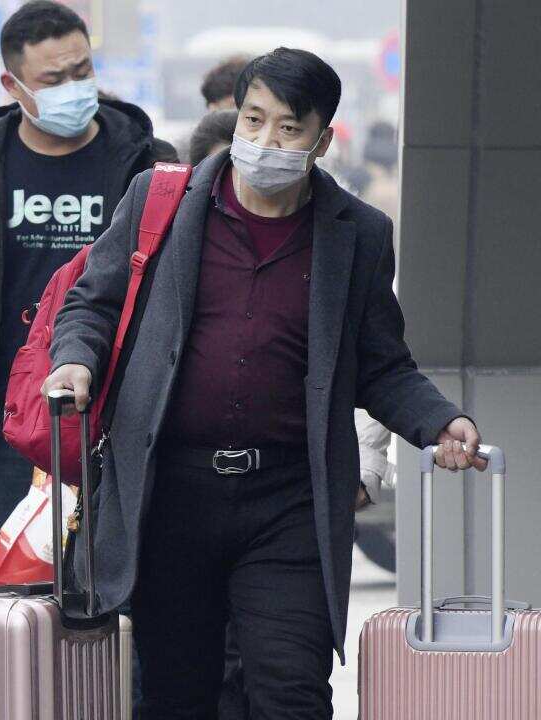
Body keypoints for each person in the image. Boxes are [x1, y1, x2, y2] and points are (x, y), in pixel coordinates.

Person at [44, 47, 487, 719]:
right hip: (173, 494)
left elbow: (382, 363)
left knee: (291, 692)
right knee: (174, 695)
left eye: (288, 128)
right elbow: (93, 301)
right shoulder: (162, 201)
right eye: (254, 120)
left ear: (321, 139)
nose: (265, 141)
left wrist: (439, 421)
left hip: (289, 503)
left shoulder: (358, 235)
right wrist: (75, 358)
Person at [0, 0, 155, 565]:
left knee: (122, 599)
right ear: (13, 84)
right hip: (11, 426)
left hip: (119, 418)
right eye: (53, 79)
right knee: (16, 601)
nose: (73, 87)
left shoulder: (145, 166)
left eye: (82, 71)